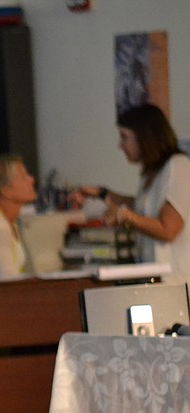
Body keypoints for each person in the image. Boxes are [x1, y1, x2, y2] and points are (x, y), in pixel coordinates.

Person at [75, 104, 190, 283]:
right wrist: (100, 193)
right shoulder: (152, 172)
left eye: (124, 137)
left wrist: (124, 216)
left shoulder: (178, 166)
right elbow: (142, 207)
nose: (120, 146)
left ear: (144, 137)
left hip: (177, 282)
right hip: (155, 280)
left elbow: (168, 229)